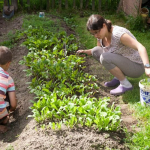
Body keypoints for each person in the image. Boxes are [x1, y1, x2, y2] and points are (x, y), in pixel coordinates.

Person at [77, 14, 150, 95]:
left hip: (136, 66)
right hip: (124, 61)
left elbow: (141, 47)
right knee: (95, 51)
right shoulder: (100, 36)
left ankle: (125, 85)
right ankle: (118, 77)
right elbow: (100, 50)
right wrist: (86, 52)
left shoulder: (118, 34)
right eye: (93, 34)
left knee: (105, 57)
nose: (95, 35)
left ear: (104, 25)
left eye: (96, 32)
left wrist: (147, 67)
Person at [0, 46, 17, 133]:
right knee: (7, 94)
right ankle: (3, 120)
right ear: (8, 63)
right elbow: (13, 105)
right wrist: (11, 110)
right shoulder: (8, 79)